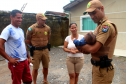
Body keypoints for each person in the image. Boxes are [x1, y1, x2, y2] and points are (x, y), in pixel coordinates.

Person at [78, 0, 118, 84]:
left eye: (94, 13)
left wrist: (79, 45)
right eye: (90, 14)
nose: (92, 16)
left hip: (103, 69)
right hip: (98, 68)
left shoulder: (106, 26)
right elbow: (95, 48)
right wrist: (86, 50)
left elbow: (93, 49)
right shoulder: (99, 26)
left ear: (102, 9)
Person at [0, 9, 32, 84]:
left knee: (28, 80)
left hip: (24, 61)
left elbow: (23, 44)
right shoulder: (8, 30)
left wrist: (28, 57)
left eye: (21, 18)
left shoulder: (20, 30)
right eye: (18, 17)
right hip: (16, 62)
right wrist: (9, 59)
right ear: (12, 17)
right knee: (17, 82)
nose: (20, 20)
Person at [25, 13, 51, 84]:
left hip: (45, 50)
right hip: (36, 51)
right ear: (38, 20)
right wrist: (34, 46)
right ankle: (34, 82)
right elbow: (27, 40)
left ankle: (45, 80)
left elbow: (48, 38)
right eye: (42, 20)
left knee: (46, 66)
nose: (44, 21)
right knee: (35, 68)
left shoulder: (47, 28)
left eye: (45, 19)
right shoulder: (31, 28)